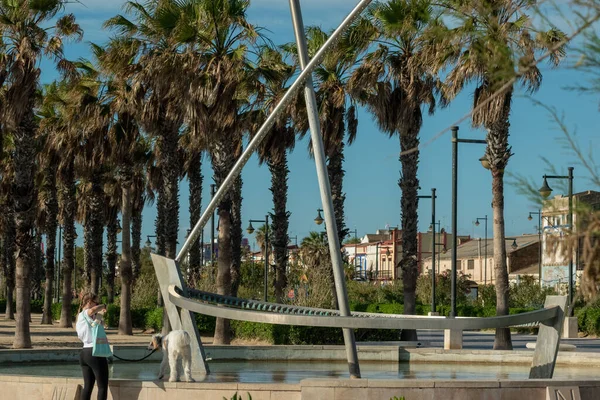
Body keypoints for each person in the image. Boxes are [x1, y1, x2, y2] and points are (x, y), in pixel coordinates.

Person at [76, 292, 109, 400]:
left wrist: (100, 314)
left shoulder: (81, 317)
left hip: (85, 353)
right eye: (96, 302)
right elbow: (91, 311)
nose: (97, 305)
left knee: (88, 386)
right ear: (89, 302)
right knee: (102, 386)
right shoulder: (85, 313)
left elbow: (95, 325)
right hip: (95, 352)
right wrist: (103, 305)